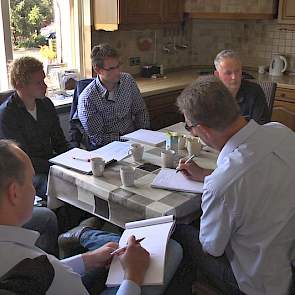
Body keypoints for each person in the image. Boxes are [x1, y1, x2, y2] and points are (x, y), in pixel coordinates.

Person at [0, 139, 183, 295]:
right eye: (31, 182)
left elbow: (46, 271)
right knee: (172, 250)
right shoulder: (31, 264)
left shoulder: (31, 264)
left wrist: (87, 259)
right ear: (14, 193)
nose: (34, 189)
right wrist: (133, 276)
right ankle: (83, 234)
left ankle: (82, 235)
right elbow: (47, 272)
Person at [173, 76, 295, 295]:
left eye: (190, 127)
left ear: (202, 129)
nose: (191, 132)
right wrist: (205, 174)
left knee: (177, 231)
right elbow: (255, 175)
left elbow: (211, 248)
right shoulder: (282, 132)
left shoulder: (222, 185)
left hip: (258, 283)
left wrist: (213, 185)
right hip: (287, 258)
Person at [0, 56, 69, 197]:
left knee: (83, 181)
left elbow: (60, 142)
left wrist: (78, 158)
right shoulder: (7, 114)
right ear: (20, 85)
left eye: (43, 80)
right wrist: (58, 167)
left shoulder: (46, 104)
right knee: (60, 188)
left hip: (50, 163)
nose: (45, 86)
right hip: (26, 172)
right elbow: (23, 159)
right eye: (38, 83)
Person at [78, 43, 150, 149]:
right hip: (107, 148)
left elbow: (140, 110)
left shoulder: (127, 80)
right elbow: (98, 137)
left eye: (118, 66)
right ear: (97, 70)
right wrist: (126, 139)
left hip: (134, 141)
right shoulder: (88, 99)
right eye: (111, 68)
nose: (118, 71)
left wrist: (145, 135)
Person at [214, 49, 270, 124]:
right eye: (228, 73)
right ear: (217, 75)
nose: (234, 77)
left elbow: (262, 125)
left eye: (237, 71)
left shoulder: (254, 91)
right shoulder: (210, 93)